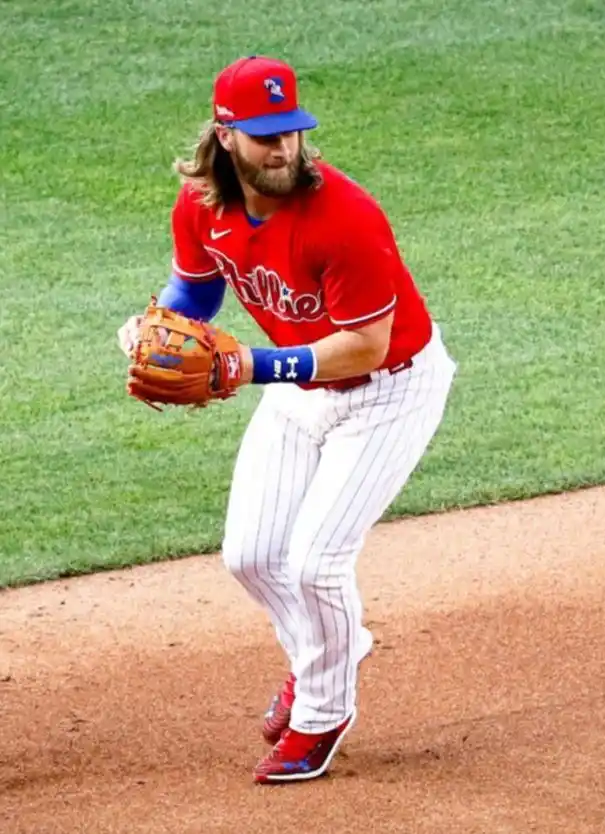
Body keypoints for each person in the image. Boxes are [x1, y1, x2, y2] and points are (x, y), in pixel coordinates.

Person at [117, 54, 457, 784]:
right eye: (266, 136)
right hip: (301, 386)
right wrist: (152, 326)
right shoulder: (202, 204)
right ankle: (329, 650)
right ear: (226, 135)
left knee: (315, 563)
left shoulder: (347, 217)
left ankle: (321, 712)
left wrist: (251, 367)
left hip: (387, 390)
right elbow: (196, 294)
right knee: (250, 557)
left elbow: (363, 345)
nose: (282, 149)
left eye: (291, 133)